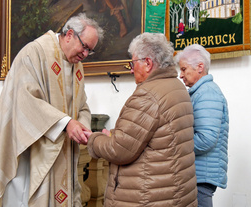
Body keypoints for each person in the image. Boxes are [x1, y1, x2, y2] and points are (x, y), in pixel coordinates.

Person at [0, 13, 104, 207]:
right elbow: (25, 101)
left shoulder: (77, 67)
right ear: (69, 35)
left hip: (59, 146)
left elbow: (82, 106)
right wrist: (66, 123)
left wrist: (81, 126)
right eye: (84, 47)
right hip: (28, 147)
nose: (85, 55)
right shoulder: (35, 52)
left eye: (90, 51)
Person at [85, 32, 197, 207]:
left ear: (148, 63)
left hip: (146, 196)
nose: (130, 69)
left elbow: (119, 150)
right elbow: (157, 136)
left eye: (133, 62)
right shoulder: (177, 87)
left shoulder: (147, 95)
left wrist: (94, 139)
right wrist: (116, 135)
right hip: (175, 193)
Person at [175, 44, 229, 207]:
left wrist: (175, 145)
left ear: (200, 67)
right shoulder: (201, 92)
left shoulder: (207, 93)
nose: (181, 75)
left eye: (184, 69)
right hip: (198, 174)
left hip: (201, 176)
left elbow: (206, 139)